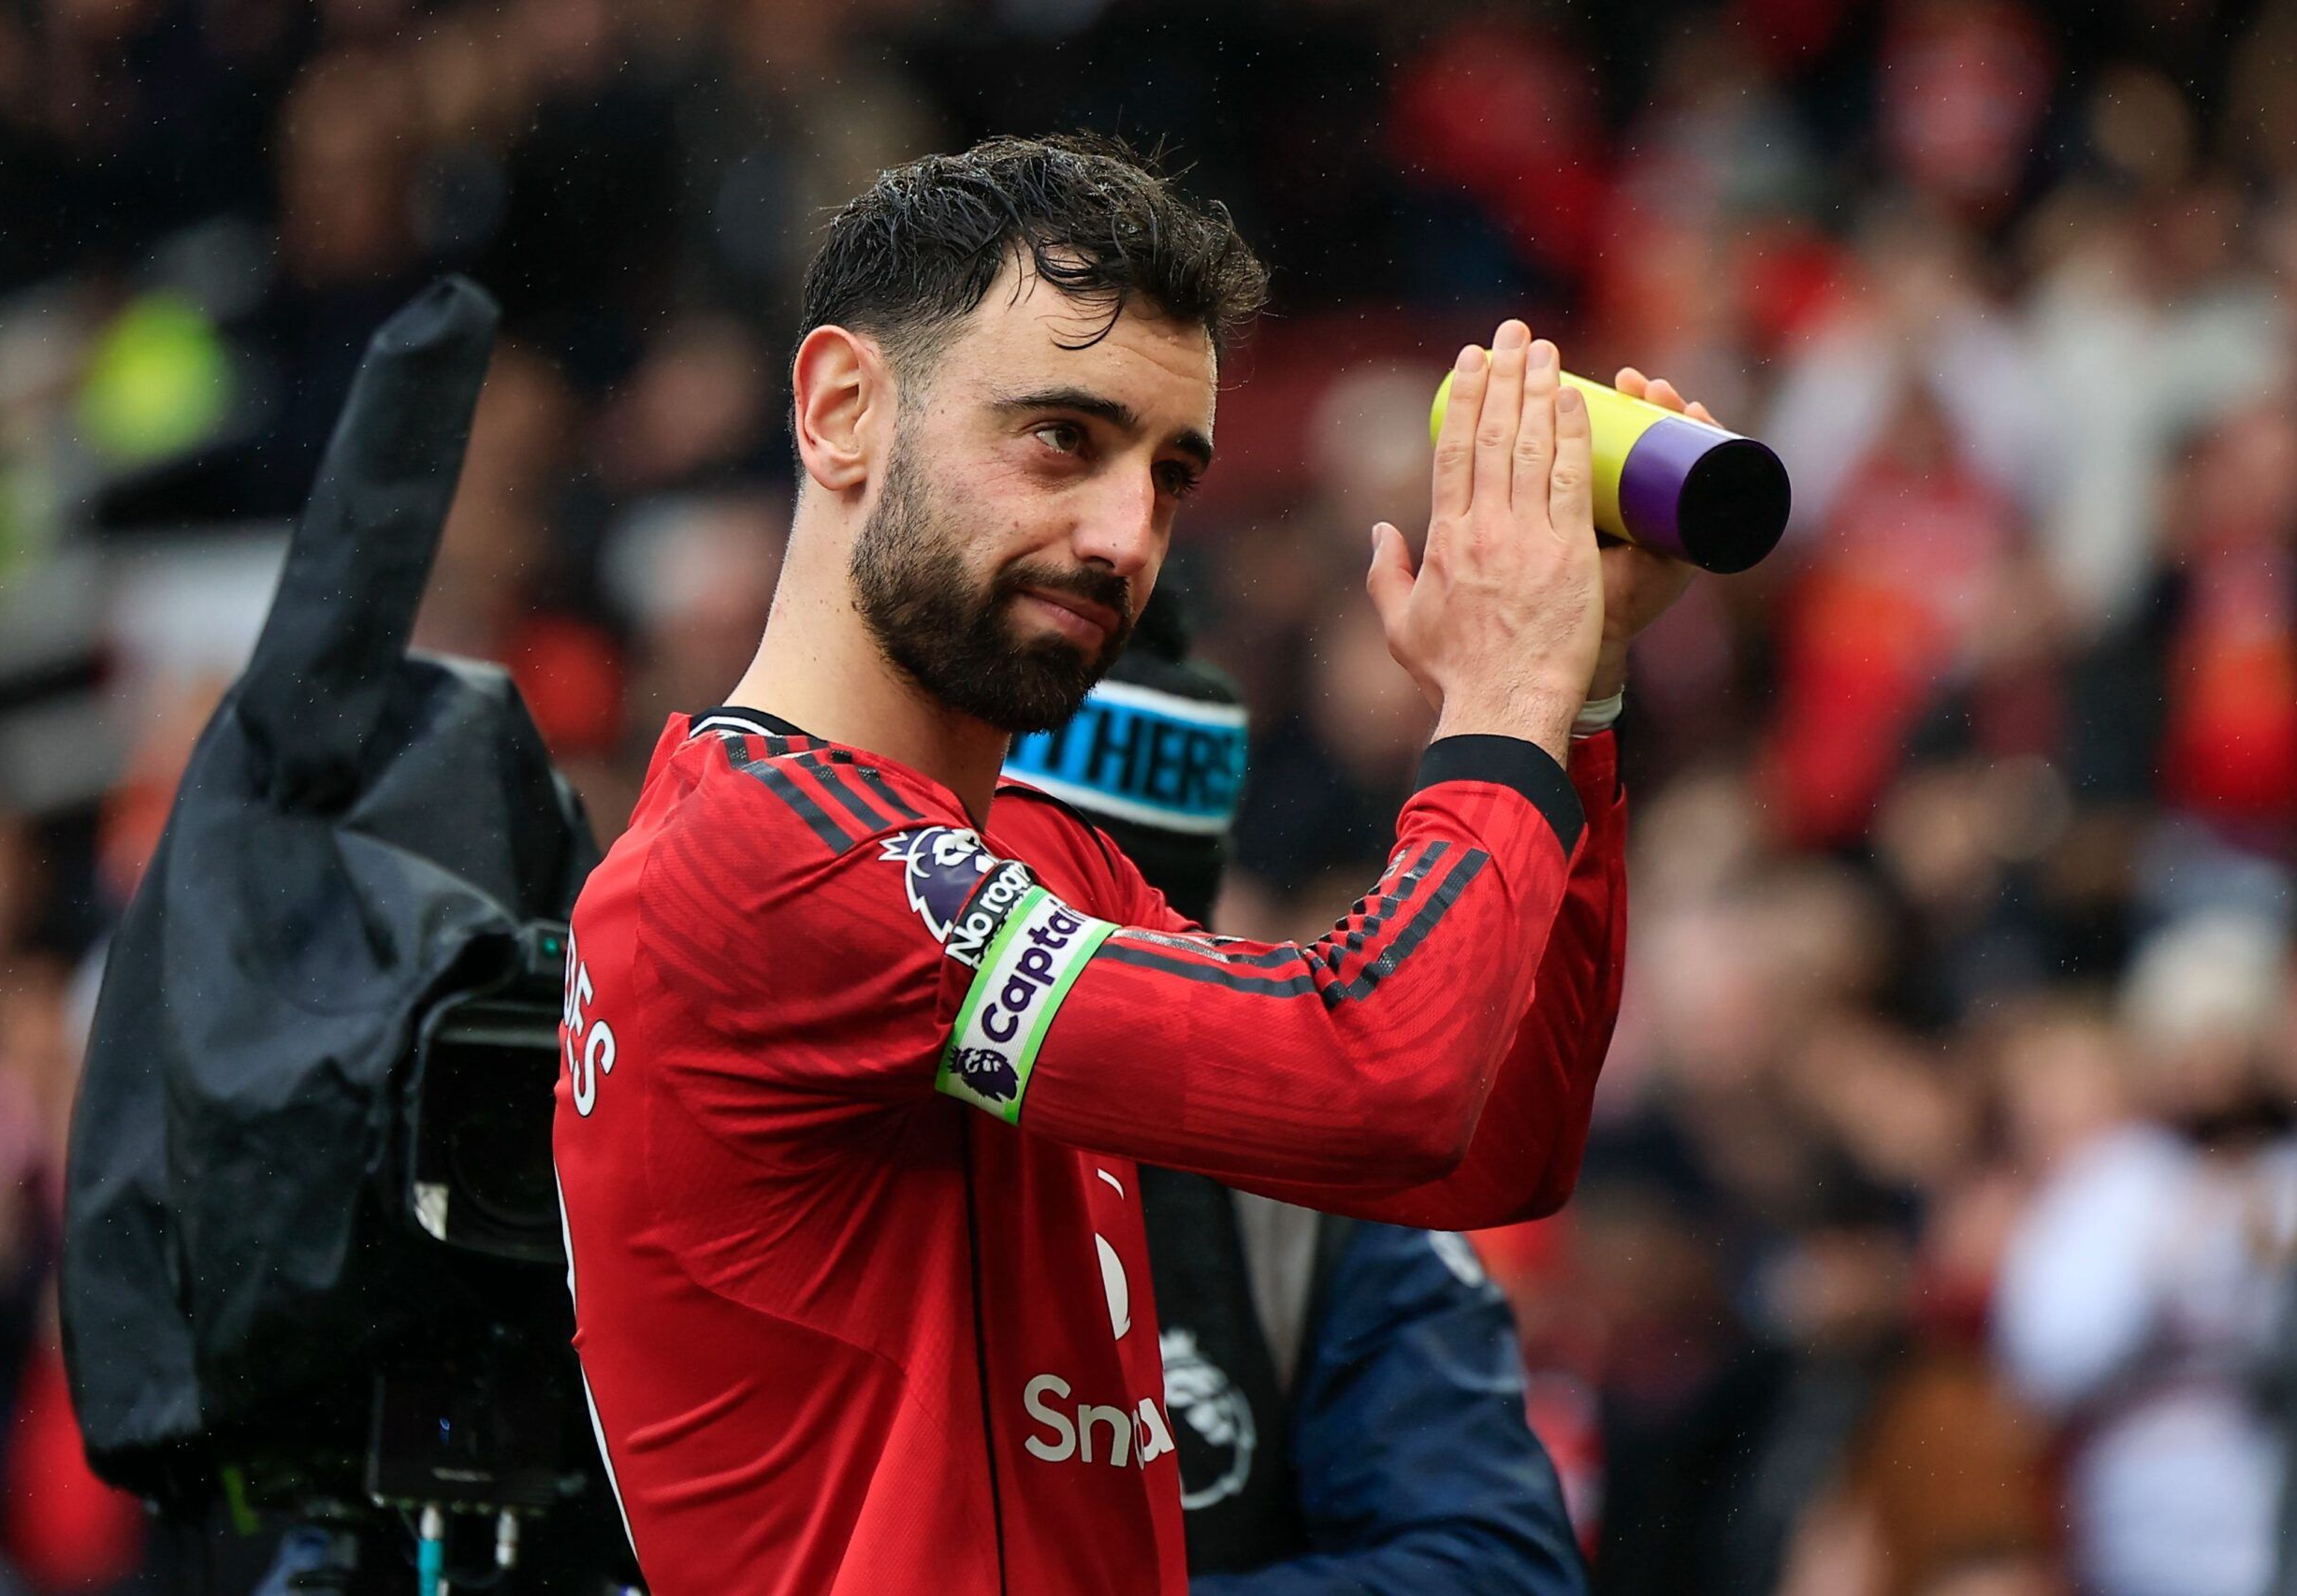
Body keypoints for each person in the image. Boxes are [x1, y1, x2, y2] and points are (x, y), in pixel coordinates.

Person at [550, 132, 1708, 1594]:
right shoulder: (760, 858)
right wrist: (1498, 705)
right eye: (1059, 438)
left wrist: (1578, 695)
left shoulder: (1027, 855)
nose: (1124, 537)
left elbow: (1488, 1139)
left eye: (1171, 475)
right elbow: (1388, 1074)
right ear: (842, 410)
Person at [1003, 598, 1593, 1592]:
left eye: (1124, 939)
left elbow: (1499, 1565)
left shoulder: (1317, 1201)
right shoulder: (839, 1114)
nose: (1062, 993)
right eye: (1027, 937)